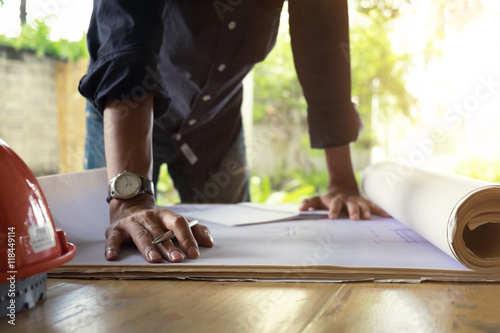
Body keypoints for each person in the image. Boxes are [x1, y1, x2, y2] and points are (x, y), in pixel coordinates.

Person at [79, 0, 388, 264]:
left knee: (228, 253)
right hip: (125, 117)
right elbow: (125, 43)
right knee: (113, 242)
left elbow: (324, 49)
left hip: (216, 125)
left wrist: (342, 182)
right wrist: (128, 200)